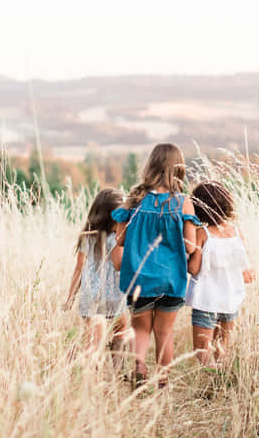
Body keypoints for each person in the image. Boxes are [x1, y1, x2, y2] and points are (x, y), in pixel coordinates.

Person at [111, 143, 203, 389]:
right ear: (179, 169)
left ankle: (139, 367)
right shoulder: (183, 203)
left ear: (150, 165)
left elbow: (119, 240)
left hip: (138, 278)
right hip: (171, 279)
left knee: (140, 329)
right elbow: (190, 247)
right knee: (165, 332)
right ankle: (163, 381)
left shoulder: (135, 200)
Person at [186, 181, 254, 365]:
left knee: (202, 348)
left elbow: (194, 268)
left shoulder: (202, 234)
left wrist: (184, 259)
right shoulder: (237, 233)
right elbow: (247, 272)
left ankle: (210, 382)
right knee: (222, 344)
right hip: (231, 299)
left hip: (207, 300)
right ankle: (219, 383)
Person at [64, 188, 128, 368]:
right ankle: (116, 368)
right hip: (113, 295)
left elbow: (79, 267)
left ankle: (80, 363)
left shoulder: (88, 236)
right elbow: (119, 263)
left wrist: (70, 297)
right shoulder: (117, 236)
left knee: (94, 338)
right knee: (120, 327)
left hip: (89, 296)